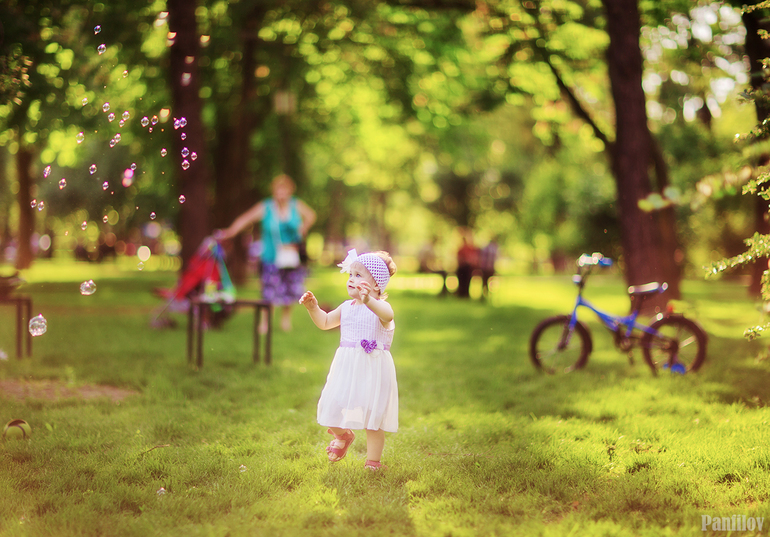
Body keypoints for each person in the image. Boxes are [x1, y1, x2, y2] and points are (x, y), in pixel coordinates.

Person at [299, 249, 398, 471]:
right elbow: (325, 323)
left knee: (373, 420)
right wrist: (313, 308)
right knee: (331, 406)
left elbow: (387, 316)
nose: (352, 280)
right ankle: (343, 436)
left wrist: (368, 300)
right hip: (347, 368)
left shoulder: (381, 309)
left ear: (376, 286)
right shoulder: (346, 307)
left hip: (373, 370)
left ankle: (373, 462)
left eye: (359, 276)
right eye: (350, 275)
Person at [219, 174, 316, 332]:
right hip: (271, 256)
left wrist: (303, 228)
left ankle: (285, 320)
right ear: (273, 190)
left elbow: (311, 215)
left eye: (285, 189)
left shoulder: (296, 205)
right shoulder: (266, 207)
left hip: (292, 257)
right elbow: (246, 219)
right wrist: (231, 231)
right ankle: (265, 322)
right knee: (269, 291)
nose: (282, 193)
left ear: (290, 191)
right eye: (279, 189)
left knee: (290, 288)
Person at [455, 230, 478, 298]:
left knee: (466, 282)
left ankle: (465, 294)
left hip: (467, 267)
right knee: (462, 281)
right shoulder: (461, 249)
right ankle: (461, 294)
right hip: (462, 267)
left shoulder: (470, 248)